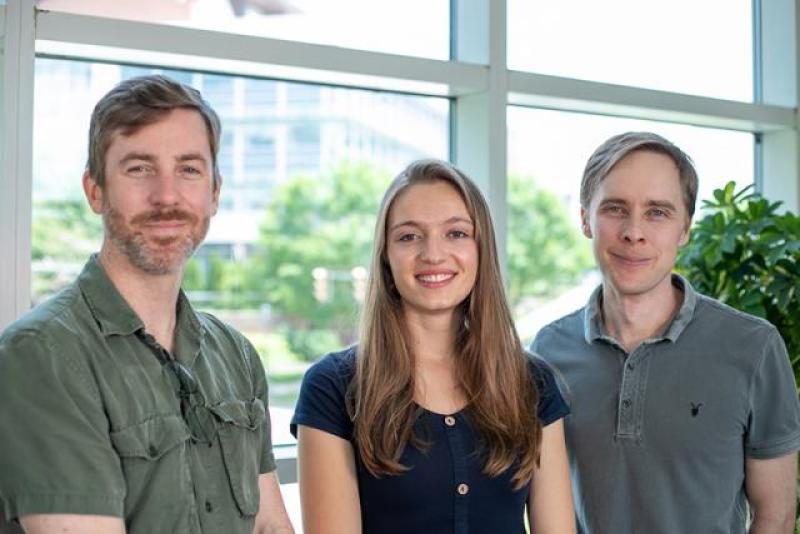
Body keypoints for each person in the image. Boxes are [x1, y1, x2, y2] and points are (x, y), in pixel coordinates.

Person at [0, 75, 294, 534]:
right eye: (139, 168)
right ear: (95, 190)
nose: (167, 196)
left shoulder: (235, 355)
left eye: (189, 170)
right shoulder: (42, 356)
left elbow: (269, 527)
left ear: (214, 192)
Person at [531, 131, 800, 534]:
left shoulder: (754, 347)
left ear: (685, 229)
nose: (633, 232)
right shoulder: (548, 351)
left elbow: (774, 517)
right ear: (586, 218)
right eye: (615, 209)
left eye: (657, 212)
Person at [291, 159, 576, 533]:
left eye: (456, 233)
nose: (433, 254)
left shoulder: (531, 382)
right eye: (409, 236)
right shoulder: (333, 387)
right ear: (385, 257)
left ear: (481, 249)